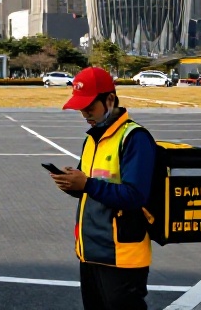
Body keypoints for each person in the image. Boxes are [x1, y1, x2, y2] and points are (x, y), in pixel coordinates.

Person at [48, 67, 158, 310]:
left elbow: (135, 195)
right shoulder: (92, 139)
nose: (85, 113)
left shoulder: (134, 138)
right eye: (80, 107)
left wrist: (86, 184)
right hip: (90, 250)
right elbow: (91, 187)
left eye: (90, 106)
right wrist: (72, 184)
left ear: (110, 99)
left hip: (122, 256)